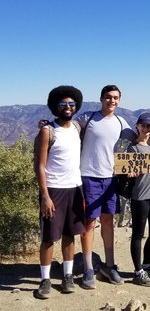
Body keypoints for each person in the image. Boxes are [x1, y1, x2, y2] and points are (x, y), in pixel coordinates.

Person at [76, 85, 134, 289]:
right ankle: (89, 268)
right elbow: (69, 128)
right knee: (89, 223)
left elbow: (140, 139)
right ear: (101, 98)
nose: (112, 101)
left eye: (116, 98)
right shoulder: (87, 118)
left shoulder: (121, 122)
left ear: (119, 100)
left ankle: (109, 266)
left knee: (108, 222)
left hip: (110, 178)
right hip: (89, 176)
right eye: (108, 97)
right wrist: (49, 127)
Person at [34, 86, 85, 299]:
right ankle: (45, 280)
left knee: (69, 234)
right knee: (48, 237)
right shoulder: (47, 131)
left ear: (76, 106)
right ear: (56, 106)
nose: (67, 107)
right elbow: (40, 165)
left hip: (75, 188)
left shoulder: (77, 127)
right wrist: (45, 195)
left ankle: (67, 276)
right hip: (54, 190)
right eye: (63, 104)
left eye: (71, 104)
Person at [126, 112, 150, 287]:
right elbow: (127, 171)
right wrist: (130, 174)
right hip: (141, 196)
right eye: (143, 125)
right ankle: (137, 272)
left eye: (149, 126)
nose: (145, 128)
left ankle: (147, 264)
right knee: (138, 234)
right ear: (137, 126)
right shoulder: (132, 148)